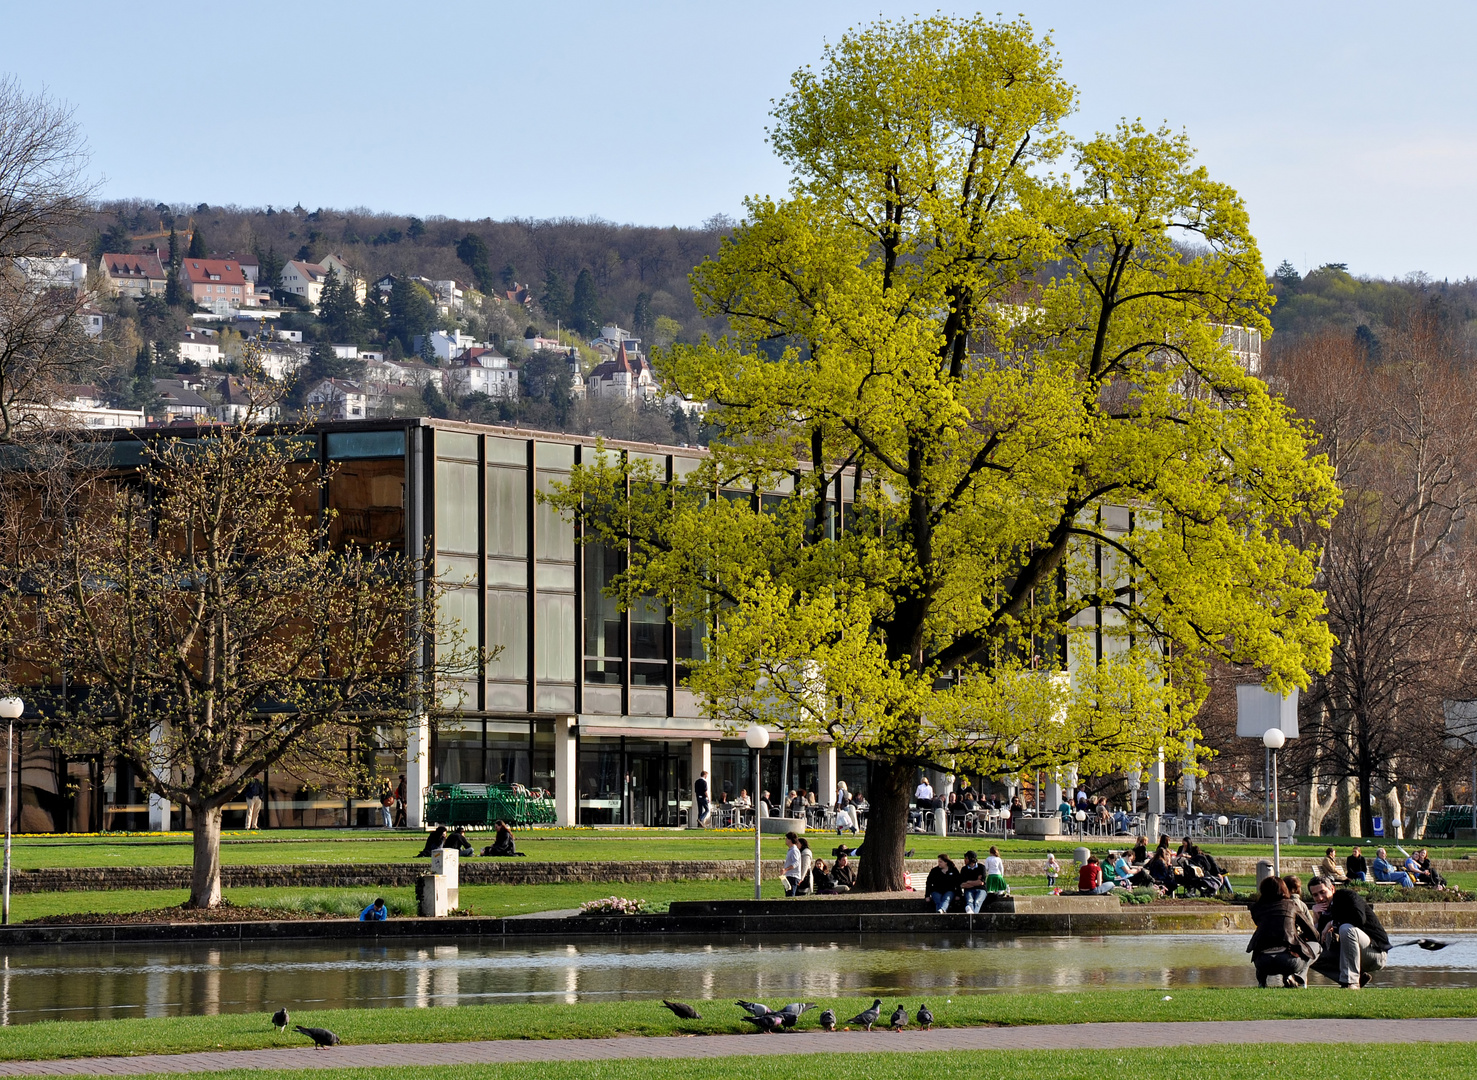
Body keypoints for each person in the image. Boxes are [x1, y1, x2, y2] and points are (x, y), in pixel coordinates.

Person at [1308, 876, 1390, 988]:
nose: (1320, 898)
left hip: (1374, 952)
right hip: (1349, 956)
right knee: (1309, 952)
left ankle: (1351, 983)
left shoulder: (1347, 896)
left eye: (1323, 892)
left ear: (1332, 889)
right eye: (1315, 895)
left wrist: (1332, 923)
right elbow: (1319, 942)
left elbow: (1359, 918)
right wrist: (1316, 919)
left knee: (1346, 928)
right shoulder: (1323, 911)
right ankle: (1358, 978)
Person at [1246, 876, 1319, 987]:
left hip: (1262, 962)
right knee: (1316, 946)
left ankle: (1262, 981)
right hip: (1288, 961)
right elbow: (1313, 933)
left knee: (1263, 945)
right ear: (1284, 889)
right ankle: (1295, 976)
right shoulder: (1291, 905)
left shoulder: (1256, 908)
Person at [783, 832, 803, 896]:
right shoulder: (791, 850)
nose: (785, 840)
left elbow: (796, 863)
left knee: (790, 896)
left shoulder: (794, 850)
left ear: (790, 840)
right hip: (789, 876)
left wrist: (786, 869)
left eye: (787, 839)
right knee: (788, 894)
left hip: (793, 876)